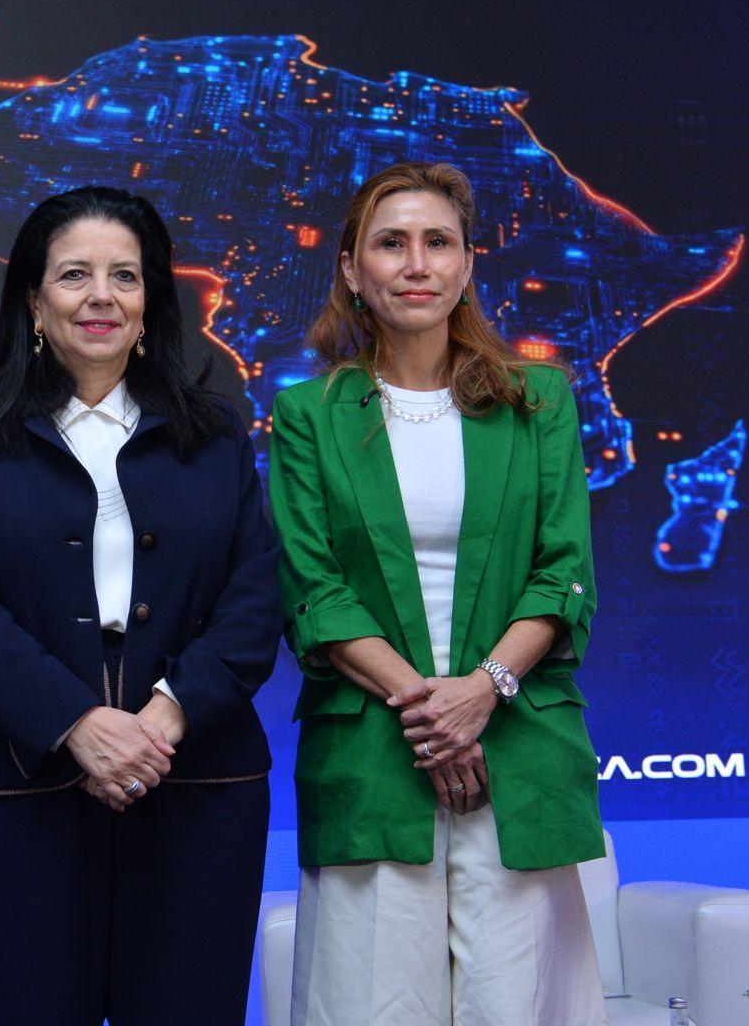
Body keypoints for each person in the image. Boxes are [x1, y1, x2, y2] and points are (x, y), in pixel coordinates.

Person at [0, 185, 280, 1025]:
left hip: (193, 787)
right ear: (34, 300)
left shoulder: (215, 432)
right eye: (74, 274)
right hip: (12, 793)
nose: (101, 296)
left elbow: (254, 594)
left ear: (150, 300)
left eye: (125, 275)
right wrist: (77, 722)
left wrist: (163, 719)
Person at [269, 161, 607, 1025]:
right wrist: (434, 714)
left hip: (518, 747)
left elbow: (563, 572)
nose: (416, 263)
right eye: (391, 243)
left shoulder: (540, 399)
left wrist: (483, 691)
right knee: (370, 1008)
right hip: (374, 753)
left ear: (466, 266)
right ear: (353, 270)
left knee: (515, 1007)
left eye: (438, 242)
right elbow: (315, 590)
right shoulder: (309, 414)